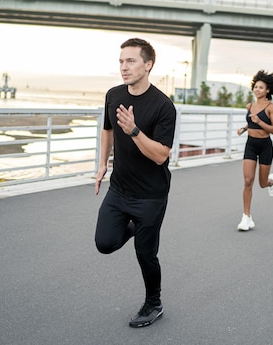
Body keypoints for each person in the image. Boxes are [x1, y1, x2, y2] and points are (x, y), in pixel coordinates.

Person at [94, 38, 176, 328]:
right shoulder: (113, 95)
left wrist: (134, 130)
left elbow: (160, 156)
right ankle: (133, 228)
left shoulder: (163, 106)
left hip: (150, 195)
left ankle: (153, 303)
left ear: (148, 65)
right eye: (121, 61)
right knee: (104, 243)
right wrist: (102, 163)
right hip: (119, 189)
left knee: (146, 254)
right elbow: (106, 129)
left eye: (130, 61)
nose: (124, 67)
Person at [236, 70, 273, 231]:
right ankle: (246, 217)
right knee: (248, 181)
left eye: (261, 87)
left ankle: (271, 181)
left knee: (262, 183)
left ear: (267, 90)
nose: (257, 90)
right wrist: (244, 127)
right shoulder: (250, 106)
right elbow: (252, 122)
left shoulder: (271, 108)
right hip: (250, 144)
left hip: (265, 147)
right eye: (255, 87)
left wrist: (259, 122)